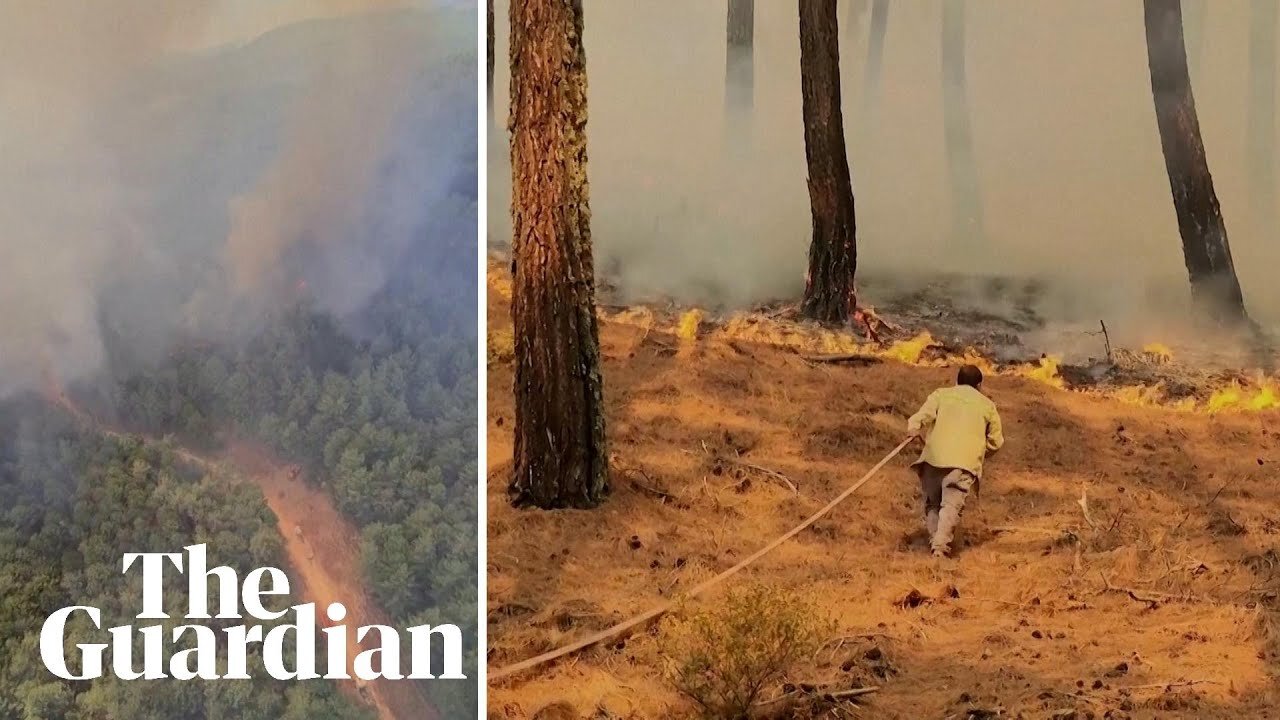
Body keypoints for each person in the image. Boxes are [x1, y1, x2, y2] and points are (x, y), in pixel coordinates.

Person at [905, 364, 1003, 558]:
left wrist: (914, 427)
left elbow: (920, 416)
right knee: (950, 506)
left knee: (933, 503)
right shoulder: (987, 405)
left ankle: (935, 543)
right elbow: (996, 441)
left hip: (934, 458)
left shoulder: (941, 394)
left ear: (957, 380)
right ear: (979, 385)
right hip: (963, 464)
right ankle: (940, 549)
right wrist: (981, 453)